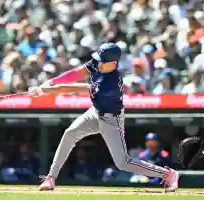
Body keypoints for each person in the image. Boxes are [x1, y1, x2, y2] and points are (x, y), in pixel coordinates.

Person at [28, 43, 179, 192]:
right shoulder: (99, 62)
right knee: (70, 133)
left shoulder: (110, 83)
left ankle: (168, 174)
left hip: (112, 120)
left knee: (123, 163)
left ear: (113, 63)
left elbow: (73, 89)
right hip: (95, 112)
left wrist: (44, 90)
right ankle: (51, 177)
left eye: (102, 61)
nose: (98, 63)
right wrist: (51, 82)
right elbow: (76, 73)